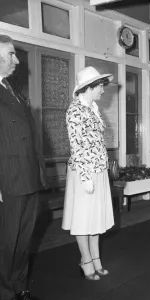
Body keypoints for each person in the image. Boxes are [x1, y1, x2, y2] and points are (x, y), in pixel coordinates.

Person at [0, 35, 46, 300]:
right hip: (8, 181)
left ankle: (19, 287)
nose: (17, 60)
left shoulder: (12, 90)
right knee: (6, 243)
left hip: (27, 178)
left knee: (23, 241)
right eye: (11, 54)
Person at [62, 66, 115, 280]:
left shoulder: (92, 108)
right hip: (84, 172)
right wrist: (85, 178)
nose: (103, 90)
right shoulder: (74, 111)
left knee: (95, 219)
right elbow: (77, 146)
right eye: (101, 86)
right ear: (90, 87)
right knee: (84, 219)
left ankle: (96, 258)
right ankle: (86, 260)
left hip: (99, 170)